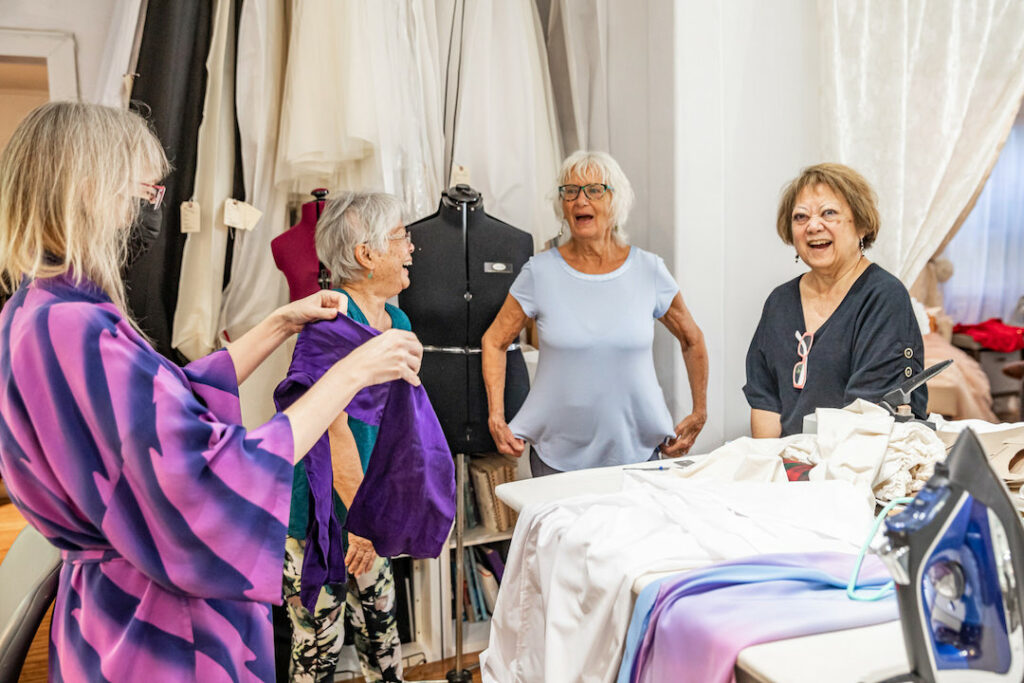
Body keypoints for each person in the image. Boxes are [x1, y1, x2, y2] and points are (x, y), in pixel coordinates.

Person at [0, 101, 422, 682]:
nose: (151, 211)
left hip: (119, 606)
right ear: (92, 191)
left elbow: (167, 401)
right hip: (154, 631)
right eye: (145, 194)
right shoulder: (77, 329)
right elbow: (211, 475)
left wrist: (278, 325)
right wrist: (351, 372)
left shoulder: (41, 310)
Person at [482, 150, 708, 475]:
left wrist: (699, 411)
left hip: (636, 455)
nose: (580, 201)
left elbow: (693, 339)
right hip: (556, 459)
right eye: (570, 191)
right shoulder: (539, 273)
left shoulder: (649, 270)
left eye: (594, 190)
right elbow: (494, 341)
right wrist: (496, 417)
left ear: (616, 202)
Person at [280, 192, 415, 682]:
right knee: (319, 649)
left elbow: (400, 426)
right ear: (366, 254)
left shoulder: (397, 322)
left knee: (382, 636)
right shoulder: (327, 326)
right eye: (401, 237)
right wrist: (363, 524)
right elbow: (333, 438)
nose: (410, 248)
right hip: (320, 519)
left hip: (367, 514)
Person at [744, 163, 926, 438]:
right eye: (800, 217)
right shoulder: (779, 302)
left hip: (856, 467)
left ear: (862, 225)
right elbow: (765, 401)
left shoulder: (883, 297)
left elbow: (869, 413)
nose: (813, 226)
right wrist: (770, 469)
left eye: (829, 213)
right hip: (788, 468)